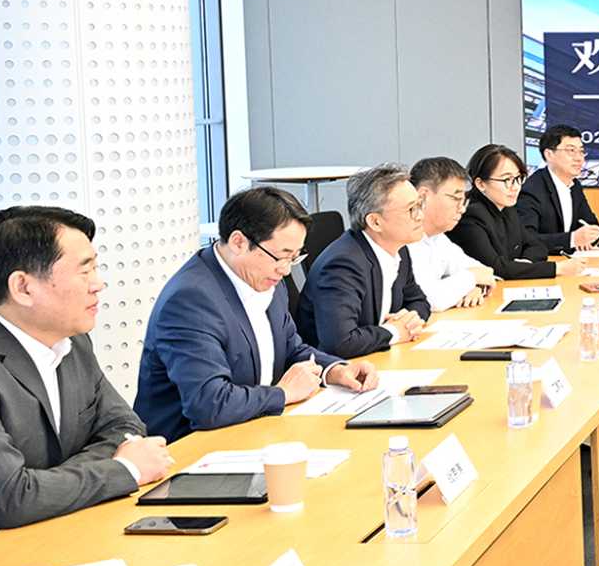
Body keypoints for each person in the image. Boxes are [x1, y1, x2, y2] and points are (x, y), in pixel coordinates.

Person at [0, 206, 170, 536]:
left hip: (65, 528)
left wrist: (46, 485)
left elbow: (126, 426)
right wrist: (123, 469)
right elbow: (6, 499)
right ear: (23, 287)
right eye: (85, 271)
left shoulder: (72, 340)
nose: (98, 284)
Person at [135, 188, 378, 441]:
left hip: (253, 429)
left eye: (294, 258)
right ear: (239, 242)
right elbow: (209, 404)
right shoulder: (191, 300)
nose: (286, 270)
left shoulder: (266, 277)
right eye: (281, 256)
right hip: (192, 448)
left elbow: (290, 349)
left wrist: (335, 371)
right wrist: (283, 394)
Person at [295, 165, 432, 358]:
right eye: (411, 209)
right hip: (333, 369)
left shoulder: (398, 248)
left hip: (375, 357)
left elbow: (419, 301)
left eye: (420, 205)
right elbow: (339, 343)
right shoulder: (343, 265)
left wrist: (409, 320)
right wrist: (394, 331)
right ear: (375, 222)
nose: (420, 216)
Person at [448, 144, 584, 281]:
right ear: (481, 184)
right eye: (507, 180)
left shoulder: (508, 208)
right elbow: (495, 268)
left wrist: (525, 264)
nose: (515, 187)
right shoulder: (470, 215)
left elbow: (537, 245)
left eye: (518, 178)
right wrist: (557, 268)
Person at [408, 156, 497, 311]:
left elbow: (484, 271)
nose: (462, 209)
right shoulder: (403, 239)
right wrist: (471, 279)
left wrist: (475, 287)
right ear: (423, 196)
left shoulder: (438, 238)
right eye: (456, 199)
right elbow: (427, 299)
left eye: (463, 201)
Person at [517, 125, 599, 255]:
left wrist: (593, 234)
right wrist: (572, 239)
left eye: (581, 151)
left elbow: (590, 223)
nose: (579, 158)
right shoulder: (531, 190)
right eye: (571, 150)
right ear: (549, 154)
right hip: (544, 262)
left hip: (570, 260)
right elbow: (526, 239)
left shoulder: (574, 186)